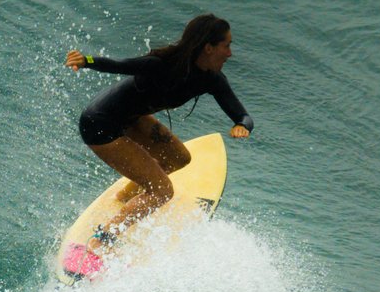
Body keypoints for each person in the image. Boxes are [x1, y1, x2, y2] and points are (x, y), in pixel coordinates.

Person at [64, 13, 252, 247]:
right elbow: (119, 65)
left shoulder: (212, 79)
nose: (230, 53)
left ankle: (126, 197)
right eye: (227, 46)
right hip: (100, 123)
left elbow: (242, 114)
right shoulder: (160, 65)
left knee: (178, 158)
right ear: (209, 48)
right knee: (162, 191)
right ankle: (102, 239)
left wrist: (241, 126)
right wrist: (86, 61)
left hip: (131, 118)